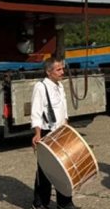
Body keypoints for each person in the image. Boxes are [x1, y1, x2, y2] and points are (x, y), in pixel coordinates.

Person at [30, 58, 78, 209]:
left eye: (62, 69)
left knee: (64, 169)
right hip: (47, 132)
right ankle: (40, 203)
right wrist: (37, 133)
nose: (62, 72)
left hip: (61, 131)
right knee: (45, 171)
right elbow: (36, 112)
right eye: (58, 70)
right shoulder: (41, 87)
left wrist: (67, 128)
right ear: (48, 72)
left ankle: (64, 203)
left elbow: (63, 110)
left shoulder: (60, 86)